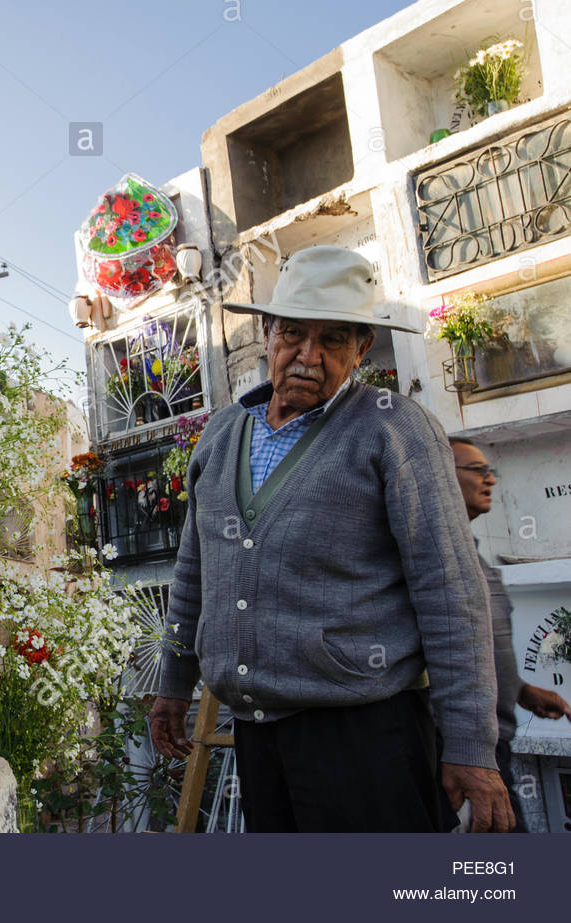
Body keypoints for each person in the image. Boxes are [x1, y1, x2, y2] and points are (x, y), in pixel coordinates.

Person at [149, 245, 515, 832]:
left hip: (368, 735)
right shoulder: (220, 435)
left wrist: (471, 745)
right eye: (293, 334)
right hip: (258, 735)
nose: (308, 356)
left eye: (334, 341)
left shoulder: (394, 428)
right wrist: (173, 686)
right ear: (268, 331)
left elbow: (450, 591)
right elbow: (195, 574)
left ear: (362, 349)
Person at [449, 437, 571, 830]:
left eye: (491, 471)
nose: (490, 480)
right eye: (477, 471)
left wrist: (520, 689)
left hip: (492, 744)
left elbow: (475, 648)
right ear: (440, 477)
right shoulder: (436, 560)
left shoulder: (473, 555)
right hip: (462, 752)